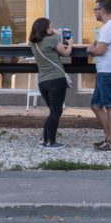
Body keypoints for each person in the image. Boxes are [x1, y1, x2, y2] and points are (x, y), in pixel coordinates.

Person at [86, 0, 111, 151]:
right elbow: (100, 44)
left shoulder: (109, 26)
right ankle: (109, 138)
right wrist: (95, 44)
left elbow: (100, 50)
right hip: (107, 70)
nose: (94, 12)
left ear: (102, 11)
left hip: (109, 71)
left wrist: (90, 49)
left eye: (95, 9)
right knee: (96, 105)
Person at [28, 17, 72, 148]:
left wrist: (53, 33)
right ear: (45, 29)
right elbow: (66, 53)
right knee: (56, 112)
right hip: (56, 80)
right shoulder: (52, 40)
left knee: (53, 111)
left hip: (43, 82)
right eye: (51, 27)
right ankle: (51, 142)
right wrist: (70, 42)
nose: (53, 28)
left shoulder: (32, 43)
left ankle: (44, 139)